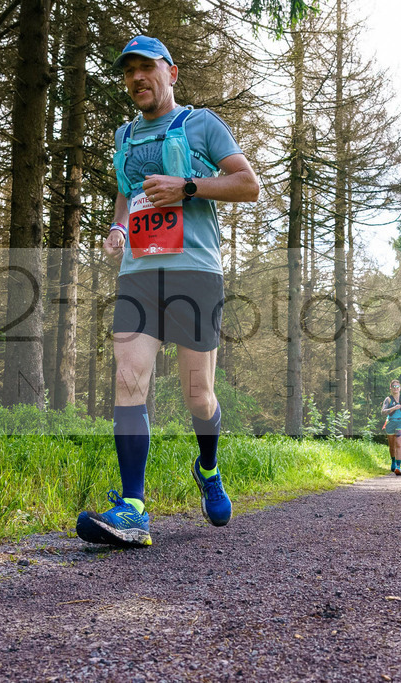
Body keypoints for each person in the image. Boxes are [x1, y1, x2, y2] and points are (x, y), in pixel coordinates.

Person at [77, 35, 260, 547]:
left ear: (171, 73)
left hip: (194, 273)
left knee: (198, 395)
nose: (137, 77)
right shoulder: (125, 135)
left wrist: (188, 186)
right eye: (128, 70)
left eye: (147, 67)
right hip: (138, 274)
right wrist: (117, 227)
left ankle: (208, 467)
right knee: (128, 379)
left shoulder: (201, 124)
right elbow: (126, 192)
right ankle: (133, 509)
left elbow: (248, 184)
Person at [381, 379, 401, 475]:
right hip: (390, 422)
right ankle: (393, 461)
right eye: (394, 386)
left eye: (397, 386)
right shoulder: (388, 399)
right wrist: (393, 408)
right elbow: (383, 412)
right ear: (391, 388)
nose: (395, 388)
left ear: (400, 388)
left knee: (398, 443)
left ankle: (398, 466)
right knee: (392, 445)